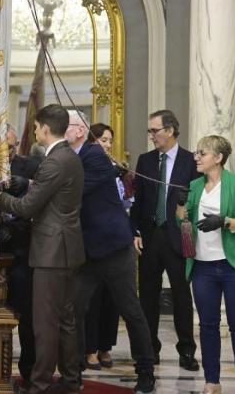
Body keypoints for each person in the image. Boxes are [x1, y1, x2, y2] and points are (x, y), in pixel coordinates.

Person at [0, 104, 85, 394]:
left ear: (45, 128)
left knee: (45, 323)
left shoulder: (54, 161)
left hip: (50, 252)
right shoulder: (68, 156)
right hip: (66, 249)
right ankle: (70, 380)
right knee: (65, 320)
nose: (33, 132)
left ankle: (40, 384)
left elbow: (27, 206)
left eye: (34, 127)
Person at [65, 111, 156, 394]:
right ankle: (73, 372)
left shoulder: (95, 156)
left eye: (64, 126)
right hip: (87, 254)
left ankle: (145, 372)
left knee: (130, 310)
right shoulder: (67, 156)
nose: (59, 130)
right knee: (73, 311)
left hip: (115, 249)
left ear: (79, 130)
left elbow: (73, 191)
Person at [179, 135, 235, 394]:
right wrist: (181, 205)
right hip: (202, 267)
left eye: (202, 153)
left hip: (233, 267)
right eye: (196, 152)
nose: (196, 157)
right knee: (207, 326)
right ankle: (211, 381)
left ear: (218, 158)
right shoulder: (194, 186)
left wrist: (225, 221)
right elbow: (183, 224)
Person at [131, 110, 199, 370]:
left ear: (170, 130)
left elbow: (195, 202)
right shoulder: (145, 160)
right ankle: (150, 350)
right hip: (149, 235)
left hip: (179, 235)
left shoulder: (190, 160)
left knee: (182, 295)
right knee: (148, 295)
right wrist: (134, 231)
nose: (151, 136)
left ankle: (187, 351)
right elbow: (139, 201)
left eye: (154, 131)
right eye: (149, 131)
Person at [1, 122, 40, 391]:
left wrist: (26, 185)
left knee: (27, 316)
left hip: (25, 250)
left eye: (13, 147)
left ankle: (28, 371)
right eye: (4, 149)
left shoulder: (30, 166)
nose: (10, 153)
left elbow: (40, 199)